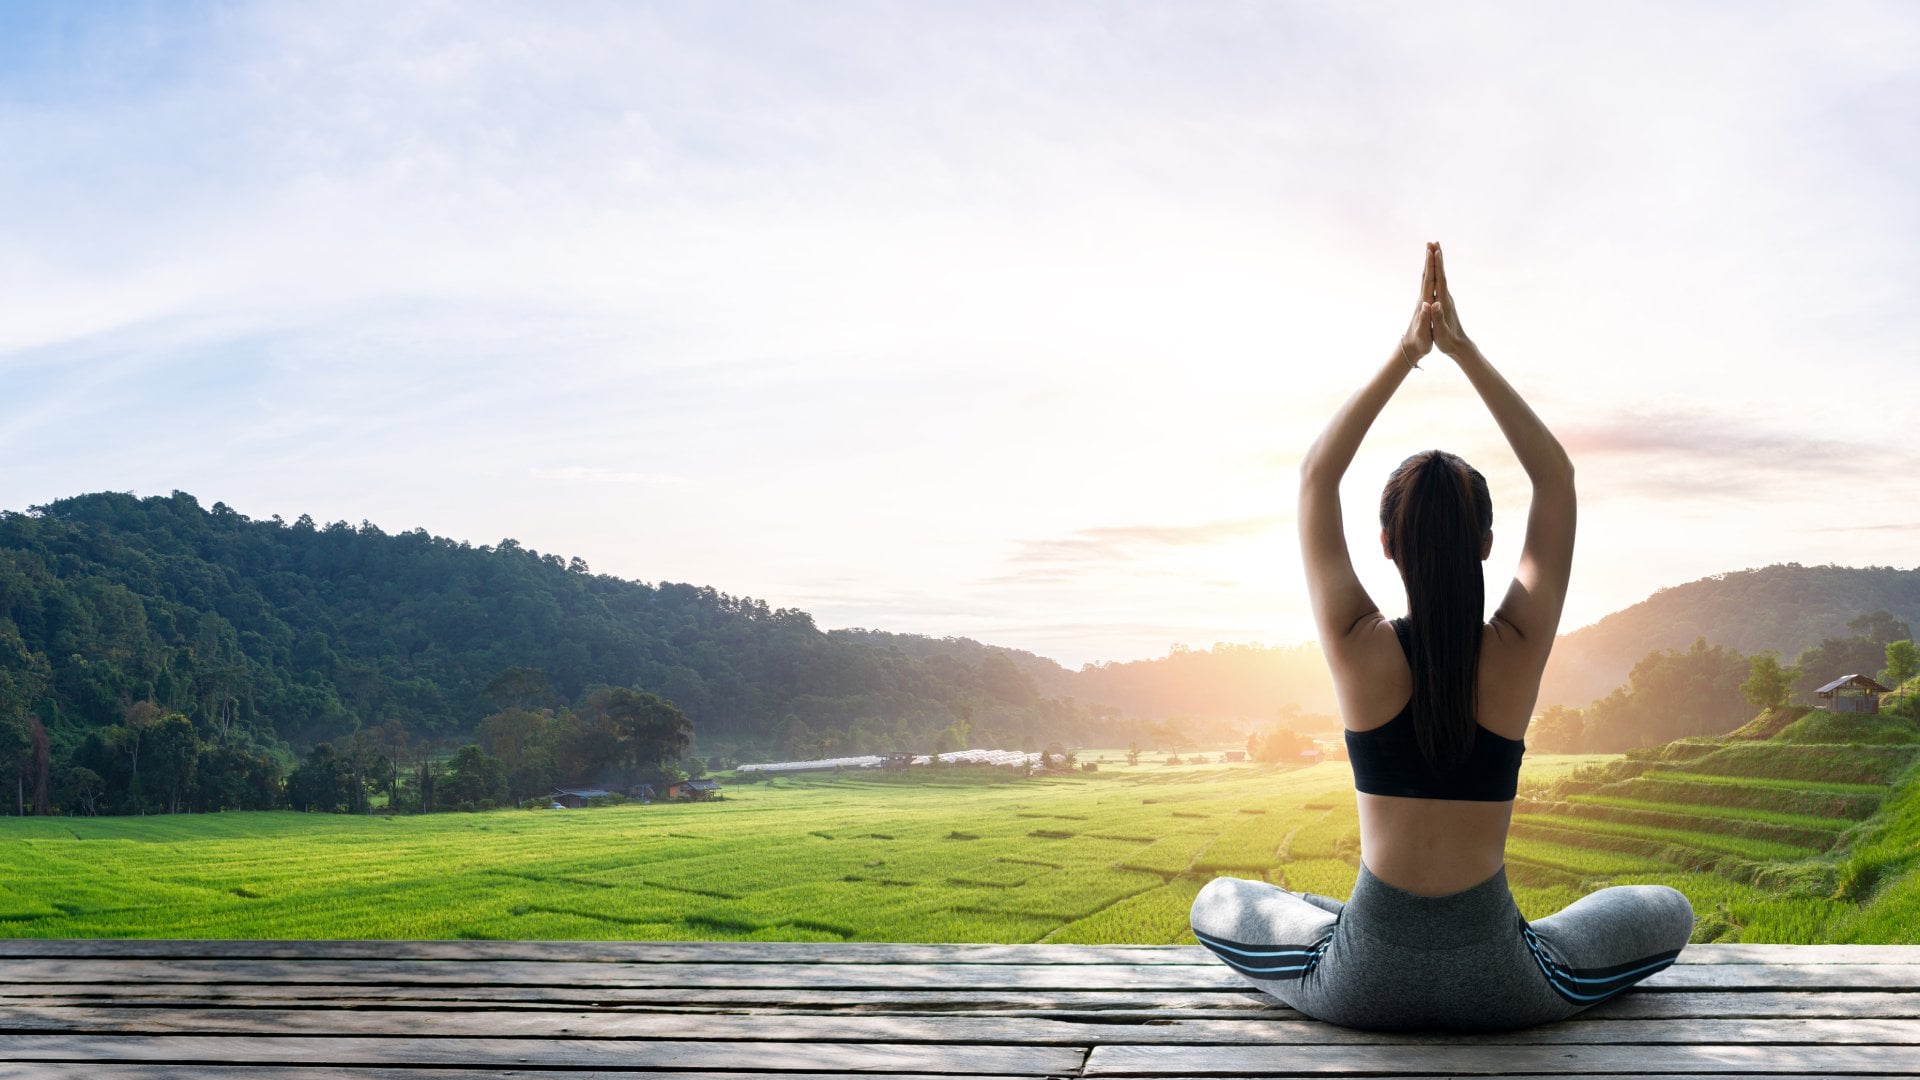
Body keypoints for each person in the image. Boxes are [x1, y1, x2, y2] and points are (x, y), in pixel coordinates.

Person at [1188, 242, 1693, 1031]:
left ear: (1386, 545)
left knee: (1217, 899)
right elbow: (1556, 476)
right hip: (1504, 983)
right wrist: (1462, 349)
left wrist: (1408, 353)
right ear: (1487, 544)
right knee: (1668, 907)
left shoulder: (1360, 647)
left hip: (1361, 981)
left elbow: (1316, 475)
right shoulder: (1517, 648)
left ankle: (1324, 918)